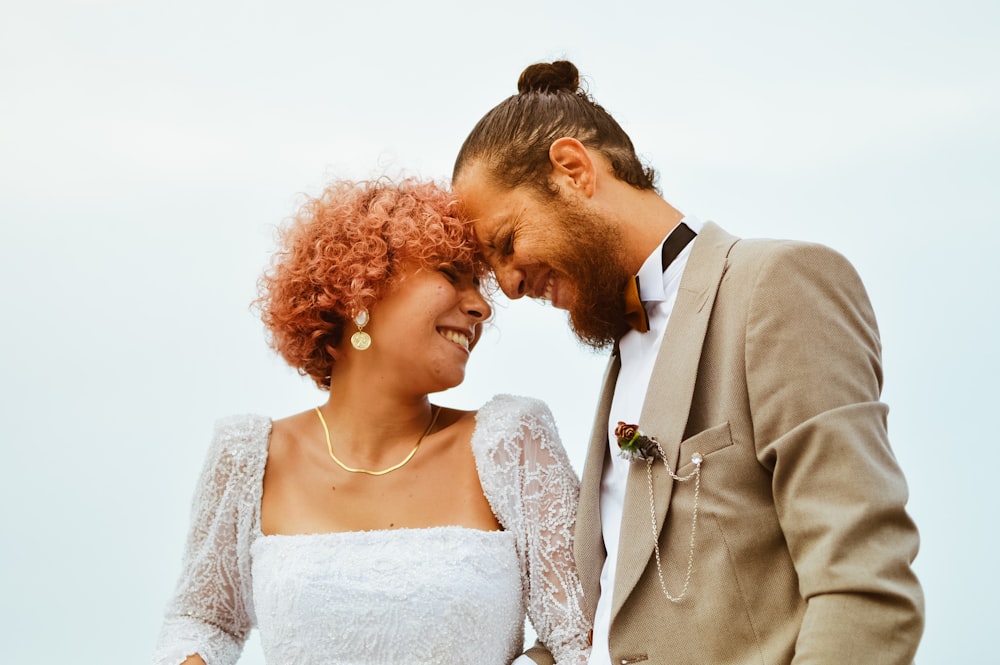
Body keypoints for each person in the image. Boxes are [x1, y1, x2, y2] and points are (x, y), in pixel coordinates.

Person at [452, 61, 924, 665]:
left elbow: (864, 585)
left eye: (507, 242)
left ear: (572, 170)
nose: (509, 287)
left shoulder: (777, 285)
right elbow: (613, 624)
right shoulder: (623, 349)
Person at [152, 177, 592, 665]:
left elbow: (579, 638)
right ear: (360, 289)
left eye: (478, 285)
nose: (482, 307)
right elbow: (204, 621)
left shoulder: (513, 441)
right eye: (450, 273)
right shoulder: (248, 456)